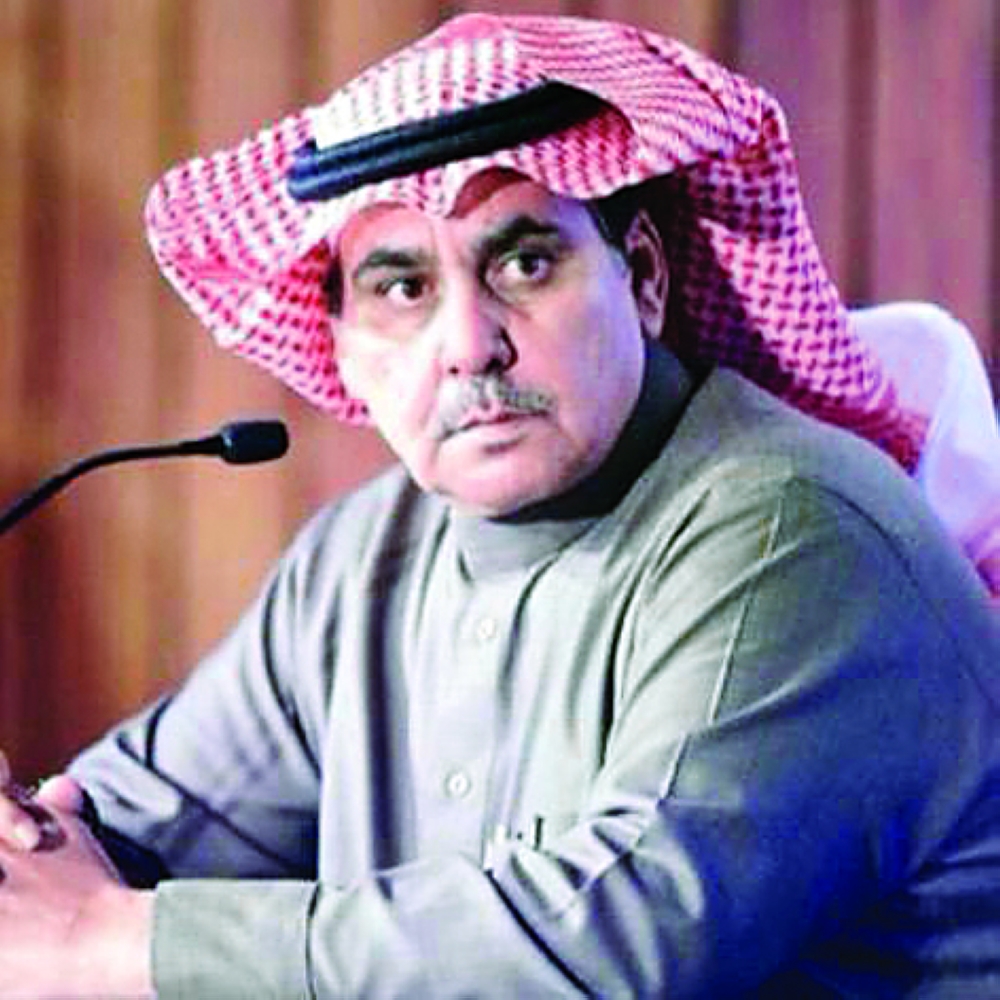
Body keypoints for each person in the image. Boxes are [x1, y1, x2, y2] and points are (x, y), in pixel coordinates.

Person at [1, 12, 999, 999]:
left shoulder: (794, 530)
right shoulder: (362, 561)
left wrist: (122, 942)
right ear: (340, 340)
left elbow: (615, 945)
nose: (470, 344)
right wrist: (26, 855)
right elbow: (128, 824)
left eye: (525, 264)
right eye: (402, 289)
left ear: (644, 278)